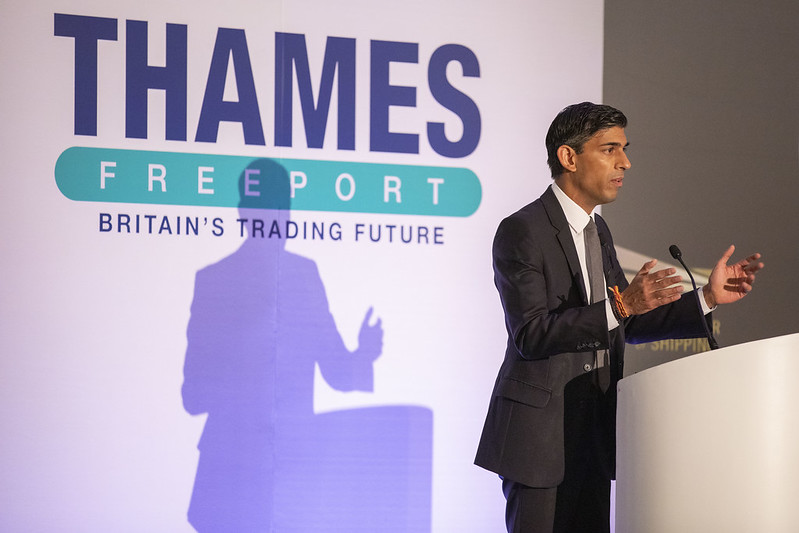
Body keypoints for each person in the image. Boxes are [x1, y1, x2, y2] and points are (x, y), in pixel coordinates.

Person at [474, 102, 764, 533]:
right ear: (569, 157)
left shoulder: (598, 231)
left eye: (624, 149)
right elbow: (531, 334)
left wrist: (706, 297)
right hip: (539, 440)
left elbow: (626, 322)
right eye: (610, 149)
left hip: (593, 436)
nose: (625, 162)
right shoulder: (522, 230)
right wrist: (622, 306)